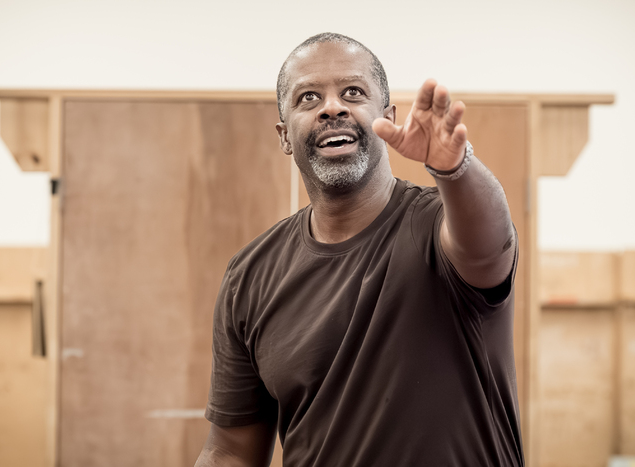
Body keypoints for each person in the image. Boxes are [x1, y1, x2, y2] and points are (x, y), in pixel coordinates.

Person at [195, 32, 522, 467]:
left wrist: (455, 168)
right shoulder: (250, 276)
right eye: (308, 98)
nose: (332, 107)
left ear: (387, 117)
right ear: (285, 136)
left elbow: (491, 246)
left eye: (353, 92)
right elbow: (230, 450)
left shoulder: (438, 226)